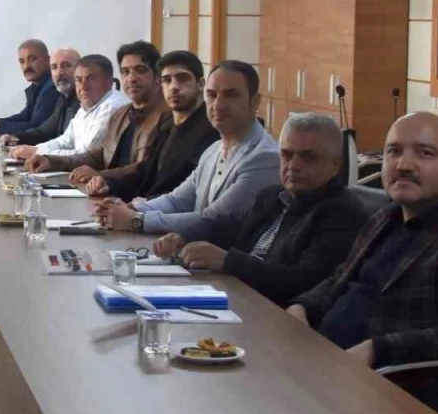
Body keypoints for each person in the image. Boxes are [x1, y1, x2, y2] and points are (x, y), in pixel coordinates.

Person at [288, 112, 438, 414]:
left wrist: (378, 349)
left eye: (425, 153)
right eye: (394, 151)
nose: (403, 164)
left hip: (392, 399)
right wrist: (302, 306)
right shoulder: (385, 216)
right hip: (321, 369)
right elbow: (341, 277)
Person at [154, 113, 367, 305]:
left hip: (277, 318)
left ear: (336, 165)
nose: (293, 166)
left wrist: (228, 261)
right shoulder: (272, 196)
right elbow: (227, 227)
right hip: (238, 299)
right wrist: (184, 236)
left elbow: (305, 281)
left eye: (308, 157)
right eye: (287, 155)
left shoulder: (342, 213)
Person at [95, 60, 278, 238]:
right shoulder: (214, 149)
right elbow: (177, 201)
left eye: (231, 95)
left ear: (255, 102)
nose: (218, 105)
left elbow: (214, 220)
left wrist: (137, 220)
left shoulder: (265, 157)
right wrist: (130, 209)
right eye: (212, 95)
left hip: (224, 258)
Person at [81, 50, 218, 200]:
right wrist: (107, 184)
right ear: (160, 84)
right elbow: (144, 173)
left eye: (182, 79)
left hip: (167, 211)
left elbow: (189, 194)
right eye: (167, 80)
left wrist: (144, 206)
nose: (174, 86)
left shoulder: (211, 131)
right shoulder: (167, 128)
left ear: (201, 84)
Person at [27, 41, 168, 179]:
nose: (131, 78)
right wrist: (50, 161)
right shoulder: (122, 114)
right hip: (108, 189)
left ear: (158, 76)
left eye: (140, 70)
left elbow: (145, 170)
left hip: (130, 193)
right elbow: (96, 156)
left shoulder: (167, 118)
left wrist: (102, 176)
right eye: (125, 72)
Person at [18, 54, 130, 160]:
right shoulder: (86, 107)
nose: (83, 86)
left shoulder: (112, 108)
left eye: (91, 79)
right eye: (78, 80)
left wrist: (38, 152)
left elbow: (85, 155)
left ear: (109, 83)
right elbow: (64, 141)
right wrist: (34, 149)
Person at [0, 39, 58, 136]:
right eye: (22, 61)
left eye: (33, 59)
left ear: (48, 60)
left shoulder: (52, 88)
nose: (27, 66)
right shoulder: (36, 86)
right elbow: (25, 117)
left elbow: (36, 128)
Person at [5, 48, 81, 149]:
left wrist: (36, 152)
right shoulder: (63, 99)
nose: (59, 72)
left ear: (80, 70)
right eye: (54, 67)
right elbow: (44, 131)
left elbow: (72, 147)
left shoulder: (85, 101)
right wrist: (15, 138)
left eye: (66, 66)